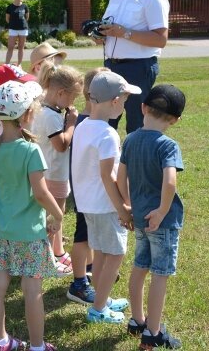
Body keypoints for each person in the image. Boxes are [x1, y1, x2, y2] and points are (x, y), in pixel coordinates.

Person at [0, 80, 64, 351]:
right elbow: (41, 193)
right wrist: (58, 214)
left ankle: (0, 341)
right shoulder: (30, 150)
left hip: (0, 231)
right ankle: (38, 346)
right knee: (32, 290)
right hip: (29, 234)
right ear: (27, 115)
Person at [70, 71, 141, 324]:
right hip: (106, 204)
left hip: (87, 203)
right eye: (124, 100)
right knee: (115, 254)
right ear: (114, 101)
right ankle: (98, 309)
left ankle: (101, 297)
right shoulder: (108, 133)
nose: (124, 105)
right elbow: (108, 175)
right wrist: (123, 208)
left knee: (100, 252)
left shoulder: (83, 125)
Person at [123, 85, 186, 350]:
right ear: (174, 120)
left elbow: (118, 177)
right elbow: (169, 181)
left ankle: (137, 320)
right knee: (160, 274)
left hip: (138, 217)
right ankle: (153, 332)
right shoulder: (167, 145)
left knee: (140, 267)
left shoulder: (130, 140)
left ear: (143, 108)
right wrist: (161, 211)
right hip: (162, 221)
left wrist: (126, 206)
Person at [97, 0, 170, 135]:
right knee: (105, 120)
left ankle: (134, 164)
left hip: (138, 67)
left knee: (136, 124)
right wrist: (100, 34)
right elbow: (111, 26)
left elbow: (160, 39)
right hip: (111, 65)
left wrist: (125, 33)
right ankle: (107, 162)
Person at [32, 64, 83, 277]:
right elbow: (61, 145)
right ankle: (47, 261)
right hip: (54, 173)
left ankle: (56, 251)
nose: (72, 104)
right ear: (61, 93)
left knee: (51, 216)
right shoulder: (53, 116)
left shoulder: (40, 107)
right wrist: (71, 123)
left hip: (43, 172)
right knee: (55, 217)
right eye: (72, 98)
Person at [66, 67, 111, 306]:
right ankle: (79, 283)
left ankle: (91, 269)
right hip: (87, 190)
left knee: (89, 234)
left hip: (85, 187)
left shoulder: (86, 121)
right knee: (83, 236)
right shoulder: (88, 123)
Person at [4, 0, 30, 66]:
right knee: (10, 47)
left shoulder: (25, 6)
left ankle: (19, 64)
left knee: (21, 47)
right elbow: (7, 19)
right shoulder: (10, 7)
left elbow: (27, 17)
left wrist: (21, 24)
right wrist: (13, 24)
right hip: (13, 29)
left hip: (23, 29)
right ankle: (7, 64)